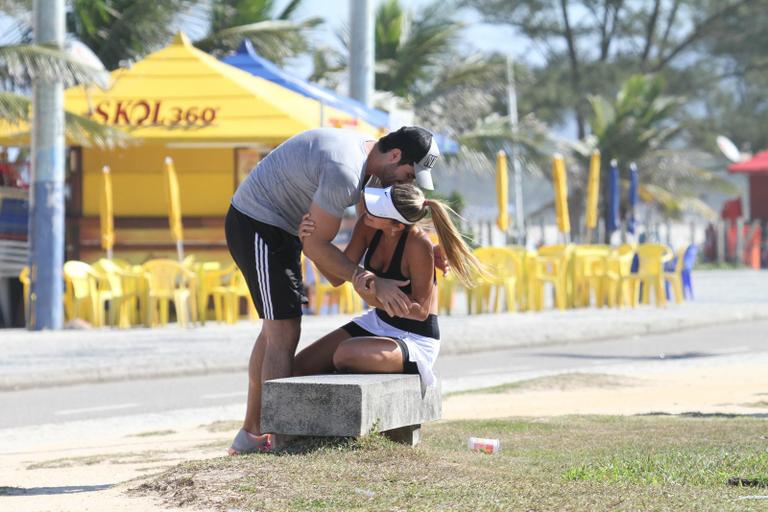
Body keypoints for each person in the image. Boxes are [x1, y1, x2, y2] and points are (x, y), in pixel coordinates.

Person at [225, 126, 441, 455]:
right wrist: (367, 278)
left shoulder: (370, 164)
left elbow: (326, 258)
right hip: (259, 223)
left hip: (283, 228)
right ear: (394, 156)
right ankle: (276, 437)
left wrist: (429, 253)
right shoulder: (347, 172)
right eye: (407, 174)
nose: (405, 184)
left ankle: (254, 433)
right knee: (282, 330)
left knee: (278, 330)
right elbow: (321, 251)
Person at [292, 184, 485, 395]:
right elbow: (337, 278)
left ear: (396, 226)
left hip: (414, 337)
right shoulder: (368, 226)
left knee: (344, 354)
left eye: (378, 209)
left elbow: (420, 311)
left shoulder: (418, 244)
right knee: (300, 365)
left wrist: (369, 295)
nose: (368, 210)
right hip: (379, 321)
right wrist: (309, 245)